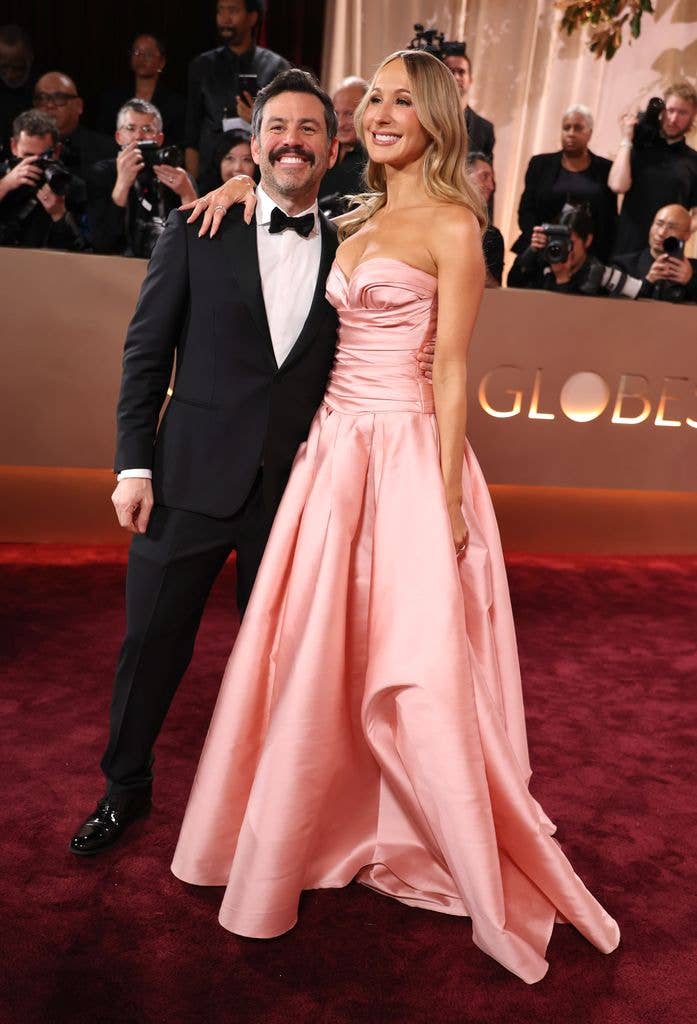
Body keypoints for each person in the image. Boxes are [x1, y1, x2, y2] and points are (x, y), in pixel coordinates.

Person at [170, 50, 620, 985]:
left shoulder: (457, 225)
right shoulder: (357, 215)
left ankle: (420, 827)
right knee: (318, 648)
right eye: (371, 99)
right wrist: (238, 183)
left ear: (439, 117)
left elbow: (450, 368)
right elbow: (285, 212)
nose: (380, 114)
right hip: (332, 453)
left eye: (402, 101)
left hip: (409, 453)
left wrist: (447, 497)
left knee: (406, 657)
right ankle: (321, 820)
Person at [69, 70, 435, 860]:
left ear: (333, 147)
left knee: (283, 662)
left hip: (299, 491)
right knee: (151, 647)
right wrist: (132, 466)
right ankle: (124, 788)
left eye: (309, 128)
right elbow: (144, 357)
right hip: (187, 479)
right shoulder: (197, 228)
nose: (293, 141)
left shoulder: (353, 246)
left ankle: (267, 807)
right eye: (278, 127)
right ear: (254, 140)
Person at [184, 0, 290, 184]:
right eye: (220, 11)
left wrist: (256, 120)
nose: (225, 18)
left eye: (232, 11)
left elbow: (287, 128)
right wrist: (192, 187)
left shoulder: (276, 67)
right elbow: (192, 134)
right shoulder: (201, 66)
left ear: (252, 17)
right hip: (209, 178)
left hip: (262, 178)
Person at [88, 98, 196, 257]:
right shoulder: (102, 173)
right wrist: (122, 185)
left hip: (168, 264)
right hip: (115, 268)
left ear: (159, 139)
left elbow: (197, 243)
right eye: (130, 128)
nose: (138, 136)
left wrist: (187, 194)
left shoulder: (176, 175)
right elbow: (102, 245)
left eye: (147, 129)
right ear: (118, 137)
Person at [513, 105, 617, 261]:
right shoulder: (540, 164)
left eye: (578, 128)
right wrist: (538, 237)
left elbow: (609, 218)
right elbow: (526, 210)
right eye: (566, 128)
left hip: (589, 254)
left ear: (589, 133)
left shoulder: (606, 169)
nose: (571, 134)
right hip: (543, 247)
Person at [609, 81, 697, 255]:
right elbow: (617, 185)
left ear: (693, 116)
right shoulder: (641, 146)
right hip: (628, 246)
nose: (673, 119)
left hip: (667, 252)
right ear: (662, 111)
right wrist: (627, 139)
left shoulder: (694, 161)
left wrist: (680, 233)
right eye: (670, 110)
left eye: (682, 113)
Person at [507, 205, 644, 298]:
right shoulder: (544, 262)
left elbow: (574, 317)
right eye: (556, 240)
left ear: (588, 240)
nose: (562, 247)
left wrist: (562, 278)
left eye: (569, 243)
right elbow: (512, 285)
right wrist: (531, 250)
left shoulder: (600, 273)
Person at [0, 109, 88, 250]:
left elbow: (84, 252)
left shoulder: (72, 187)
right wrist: (4, 185)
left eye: (43, 157)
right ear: (14, 147)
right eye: (28, 155)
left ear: (57, 151)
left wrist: (60, 215)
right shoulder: (2, 176)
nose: (35, 163)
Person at [96, 33, 186, 148]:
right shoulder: (112, 98)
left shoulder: (177, 103)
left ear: (162, 62)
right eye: (136, 53)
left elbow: (178, 142)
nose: (141, 58)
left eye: (148, 54)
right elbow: (102, 136)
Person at [33, 71, 116, 181]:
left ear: (79, 106)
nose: (49, 105)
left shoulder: (108, 151)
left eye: (59, 98)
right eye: (42, 98)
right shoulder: (24, 150)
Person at [614, 203, 697, 303]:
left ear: (687, 235)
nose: (661, 233)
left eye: (672, 227)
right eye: (659, 224)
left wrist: (690, 281)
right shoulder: (623, 265)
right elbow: (614, 305)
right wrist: (648, 281)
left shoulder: (694, 269)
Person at [318, 76, 368, 216]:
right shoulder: (322, 150)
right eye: (336, 113)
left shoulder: (377, 160)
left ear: (368, 111)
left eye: (349, 114)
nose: (340, 123)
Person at [441, 41, 494, 157]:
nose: (456, 77)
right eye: (450, 71)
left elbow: (485, 173)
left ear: (470, 79)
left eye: (461, 72)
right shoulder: (425, 118)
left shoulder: (485, 129)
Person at [467, 150, 503, 285]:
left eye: (492, 179)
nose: (491, 186)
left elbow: (494, 289)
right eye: (485, 177)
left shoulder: (493, 236)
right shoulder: (439, 221)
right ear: (464, 175)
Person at [0, 24, 36, 156]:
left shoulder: (42, 89)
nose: (10, 75)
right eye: (3, 67)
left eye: (18, 68)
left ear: (30, 59)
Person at [197, 127, 256, 194]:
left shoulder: (264, 200)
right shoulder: (202, 198)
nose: (238, 168)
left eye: (246, 159)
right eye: (230, 158)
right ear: (218, 162)